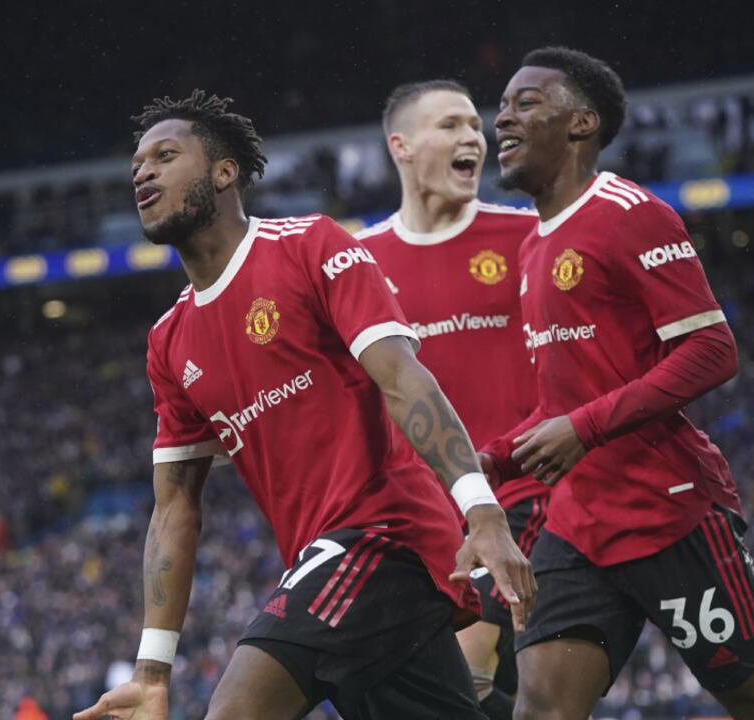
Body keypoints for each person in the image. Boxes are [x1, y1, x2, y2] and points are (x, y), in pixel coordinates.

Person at [74, 89, 535, 720]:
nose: (143, 173)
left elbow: (404, 378)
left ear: (224, 171)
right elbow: (174, 506)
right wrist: (152, 673)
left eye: (165, 156)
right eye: (137, 166)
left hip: (384, 537)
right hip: (332, 564)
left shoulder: (308, 247)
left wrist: (481, 512)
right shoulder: (168, 340)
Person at [483, 46, 754, 720]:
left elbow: (712, 349)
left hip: (667, 512)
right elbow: (563, 402)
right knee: (540, 712)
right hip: (577, 527)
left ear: (582, 123)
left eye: (524, 103)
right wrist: (495, 457)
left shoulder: (628, 212)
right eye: (501, 105)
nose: (501, 119)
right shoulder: (533, 246)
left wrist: (584, 429)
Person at [357, 78, 545, 720]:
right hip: (417, 521)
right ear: (401, 146)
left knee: (473, 671)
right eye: (450, 125)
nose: (473, 137)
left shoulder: (528, 237)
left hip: (521, 500)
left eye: (475, 125)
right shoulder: (357, 262)